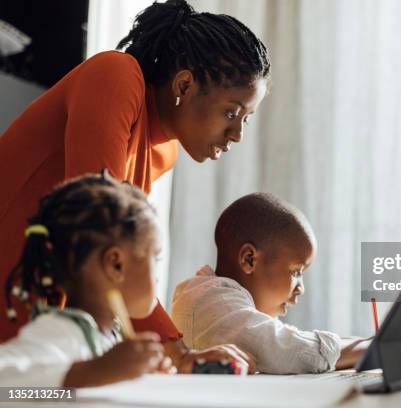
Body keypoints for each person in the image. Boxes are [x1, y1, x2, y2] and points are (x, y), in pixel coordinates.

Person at [0, 0, 269, 371]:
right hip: (14, 306)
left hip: (50, 329)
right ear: (185, 83)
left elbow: (118, 262)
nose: (237, 134)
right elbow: (105, 238)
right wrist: (178, 352)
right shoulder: (115, 75)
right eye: (231, 112)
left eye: (246, 119)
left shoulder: (163, 153)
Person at [0, 172, 179, 386]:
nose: (157, 276)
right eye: (155, 257)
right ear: (116, 264)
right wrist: (87, 374)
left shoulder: (110, 338)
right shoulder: (60, 332)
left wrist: (145, 379)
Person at [171, 193, 369, 374]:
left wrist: (366, 343)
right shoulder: (211, 301)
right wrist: (372, 349)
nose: (301, 288)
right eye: (296, 272)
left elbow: (291, 338)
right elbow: (286, 349)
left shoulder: (226, 302)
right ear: (249, 259)